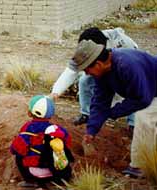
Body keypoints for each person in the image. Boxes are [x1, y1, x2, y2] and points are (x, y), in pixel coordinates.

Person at [69, 39, 157, 177]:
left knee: (145, 118)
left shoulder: (126, 65)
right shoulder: (103, 73)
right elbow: (100, 101)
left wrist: (113, 113)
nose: (86, 74)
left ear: (98, 64)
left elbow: (141, 99)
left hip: (152, 92)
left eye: (87, 69)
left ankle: (141, 167)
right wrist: (91, 131)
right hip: (149, 91)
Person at [50, 27, 137, 129]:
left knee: (132, 90)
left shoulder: (123, 46)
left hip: (126, 66)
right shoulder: (87, 44)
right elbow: (72, 70)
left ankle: (133, 124)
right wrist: (55, 93)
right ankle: (86, 114)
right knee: (84, 81)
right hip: (103, 65)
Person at [10, 95, 74, 187]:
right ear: (51, 115)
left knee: (19, 156)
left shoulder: (27, 129)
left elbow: (15, 149)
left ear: (30, 113)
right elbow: (67, 144)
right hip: (57, 171)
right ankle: (60, 181)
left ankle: (30, 181)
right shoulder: (58, 130)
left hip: (35, 172)